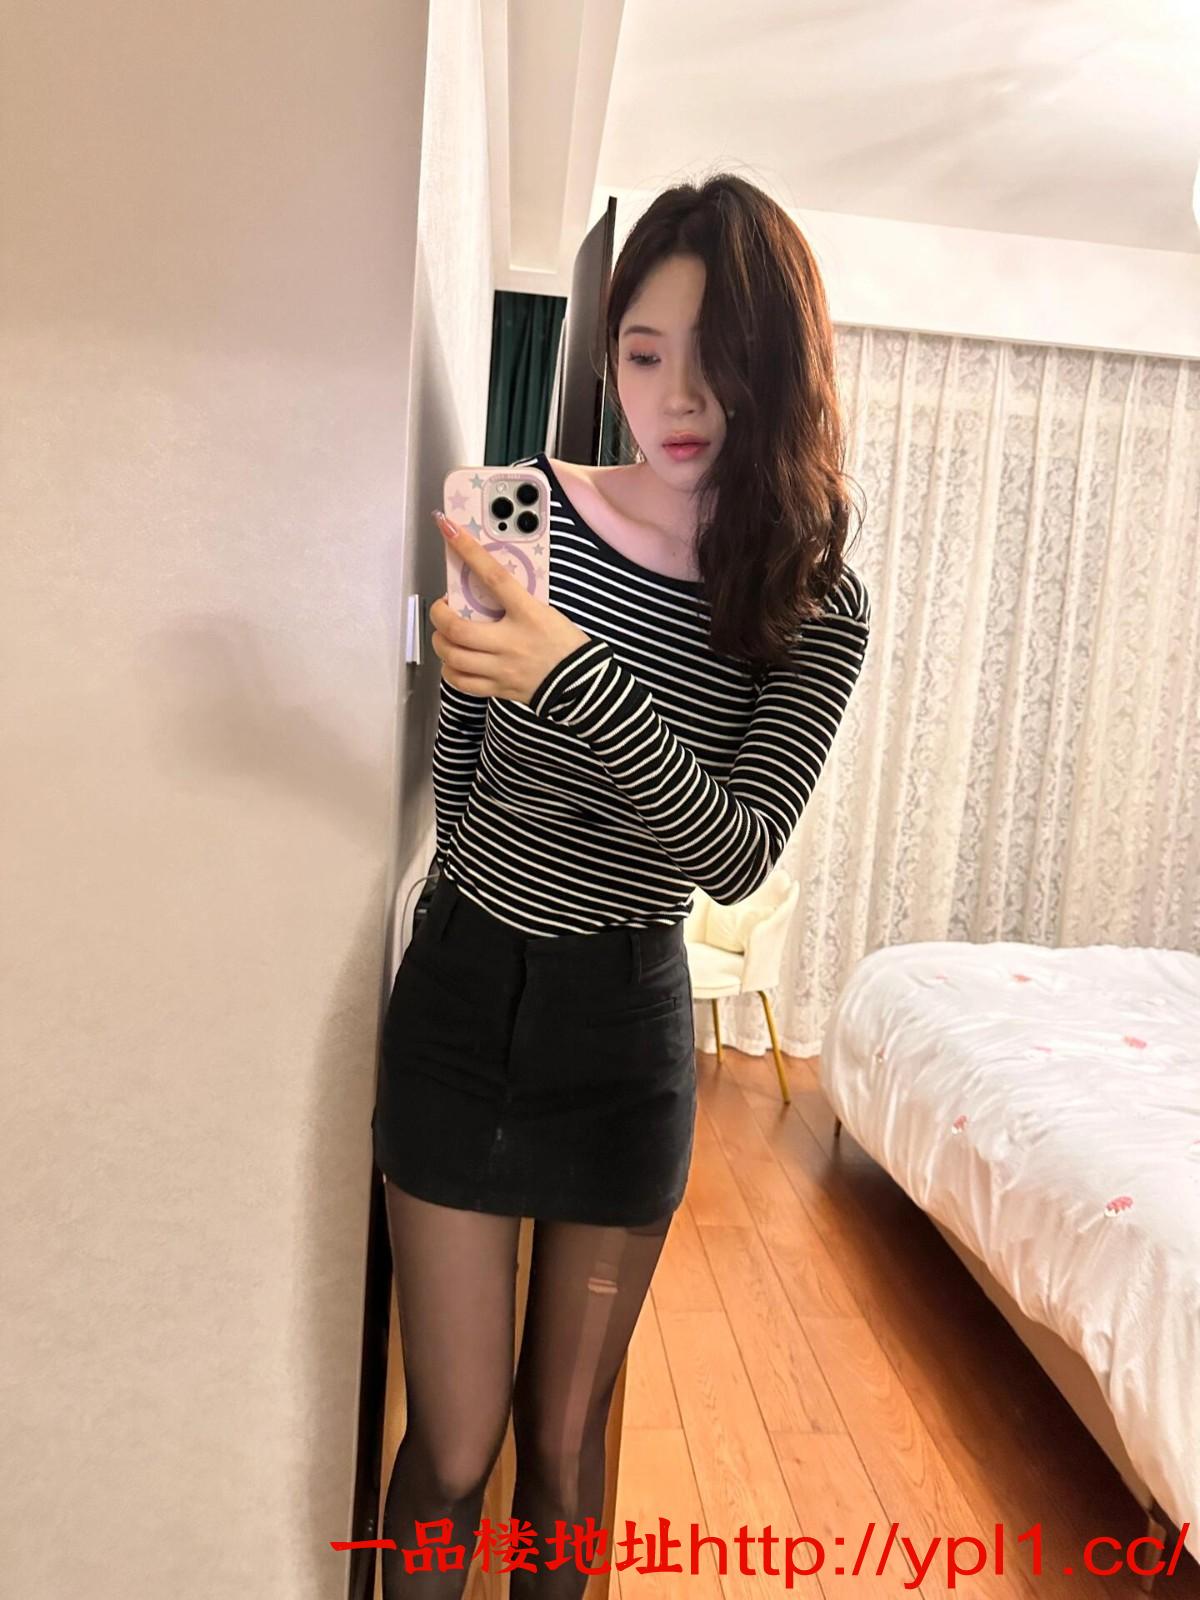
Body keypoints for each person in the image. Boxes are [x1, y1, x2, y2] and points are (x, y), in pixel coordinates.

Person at [370, 172, 872, 1598]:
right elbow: (462, 771)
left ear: (782, 371)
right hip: (464, 996)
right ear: (609, 355)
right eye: (644, 354)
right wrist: (492, 674)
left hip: (623, 1026)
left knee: (563, 1450)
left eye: (720, 361)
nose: (677, 398)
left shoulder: (810, 592)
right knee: (450, 1447)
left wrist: (572, 676)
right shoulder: (523, 512)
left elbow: (736, 851)